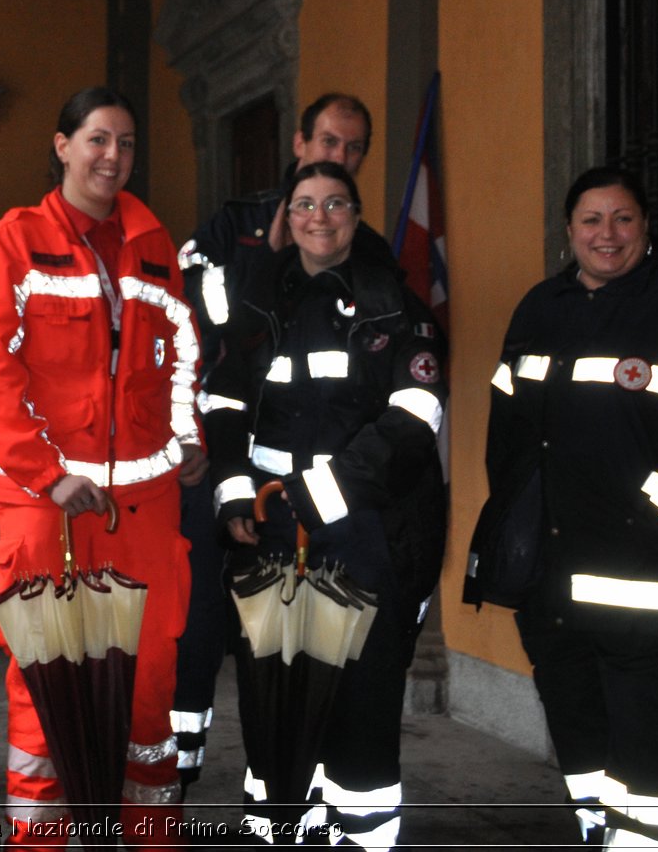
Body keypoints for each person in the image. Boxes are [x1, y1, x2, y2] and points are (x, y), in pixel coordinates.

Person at [0, 87, 206, 848]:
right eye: (97, 139)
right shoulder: (15, 241)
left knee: (150, 693)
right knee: (46, 693)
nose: (113, 157)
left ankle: (148, 839)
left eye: (126, 143)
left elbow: (182, 358)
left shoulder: (156, 242)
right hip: (47, 507)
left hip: (145, 508)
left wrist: (187, 435)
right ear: (62, 145)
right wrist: (47, 474)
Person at [466, 167, 658, 849]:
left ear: (647, 227)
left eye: (622, 218)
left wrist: (652, 525)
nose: (606, 234)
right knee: (581, 738)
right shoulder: (539, 308)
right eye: (592, 219)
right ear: (569, 230)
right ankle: (599, 832)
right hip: (553, 583)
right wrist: (515, 527)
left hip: (645, 583)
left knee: (650, 757)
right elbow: (508, 437)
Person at [207, 162, 446, 849]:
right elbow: (222, 401)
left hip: (367, 538)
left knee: (360, 713)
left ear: (356, 213)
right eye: (305, 204)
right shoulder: (259, 307)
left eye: (335, 203)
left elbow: (414, 417)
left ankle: (362, 837)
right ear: (288, 215)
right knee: (274, 711)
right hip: (274, 535)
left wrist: (325, 493)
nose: (319, 216)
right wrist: (231, 495)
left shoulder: (396, 309)